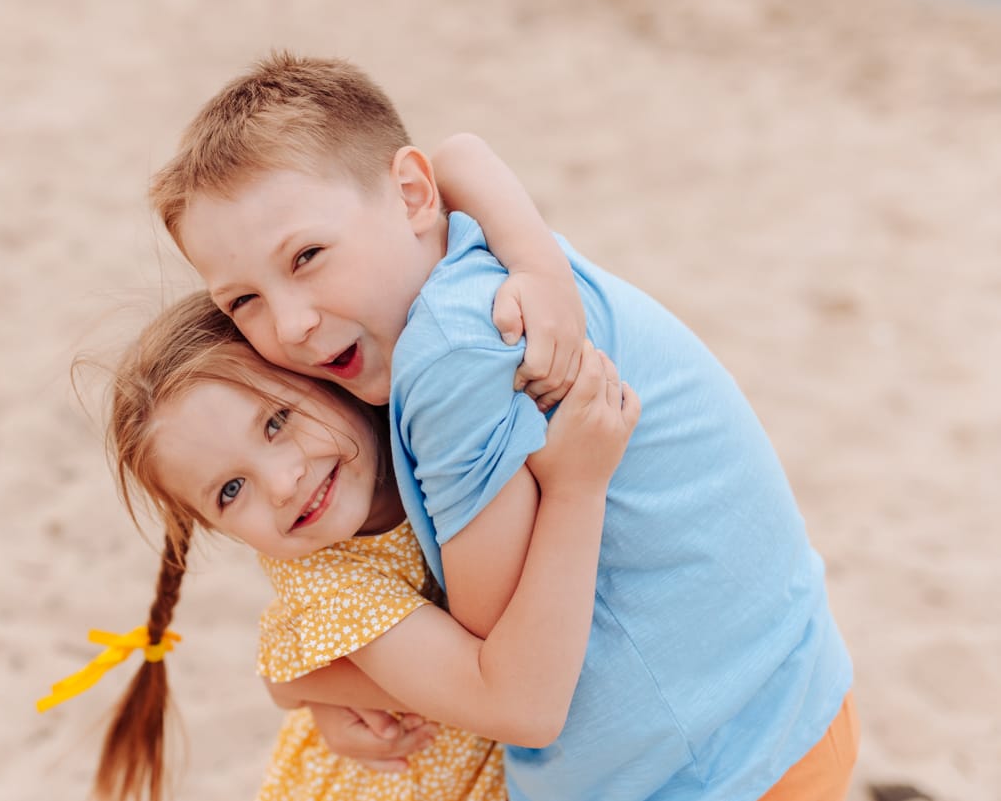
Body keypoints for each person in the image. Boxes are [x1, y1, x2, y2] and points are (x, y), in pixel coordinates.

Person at [147, 52, 859, 801]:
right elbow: (459, 155)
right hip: (778, 695)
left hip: (707, 764)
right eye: (243, 301)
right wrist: (300, 683)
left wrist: (307, 675)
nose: (290, 323)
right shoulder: (473, 261)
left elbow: (491, 650)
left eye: (308, 255)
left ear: (413, 195)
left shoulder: (447, 353)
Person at [38, 290, 638, 801]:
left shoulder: (429, 424)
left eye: (276, 422)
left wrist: (301, 686)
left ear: (323, 372)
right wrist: (575, 490)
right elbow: (508, 702)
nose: (281, 484)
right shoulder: (328, 583)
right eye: (230, 490)